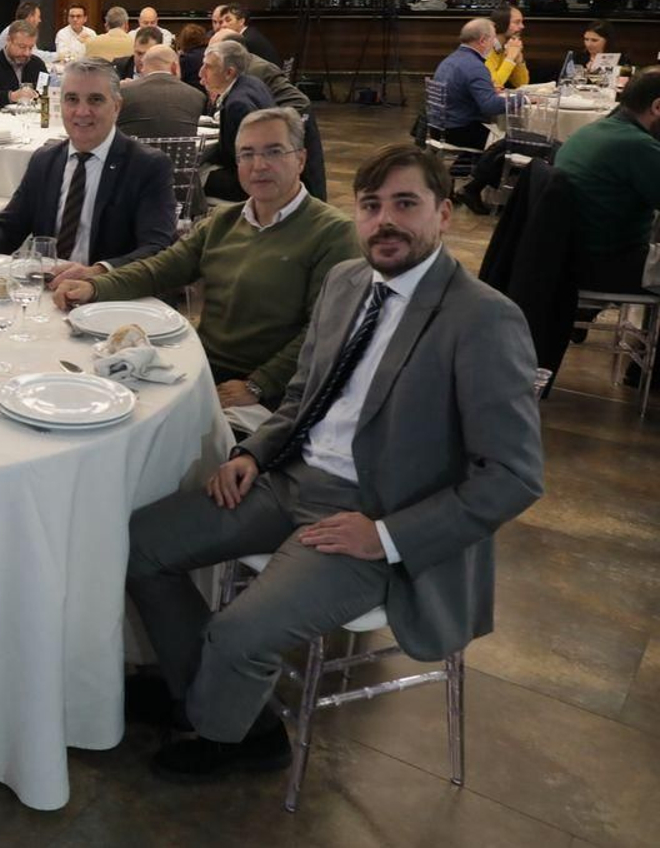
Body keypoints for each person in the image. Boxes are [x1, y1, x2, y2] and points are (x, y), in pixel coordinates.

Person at [121, 143, 541, 784]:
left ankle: (233, 733)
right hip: (291, 477)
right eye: (370, 206)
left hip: (375, 514)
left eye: (405, 203)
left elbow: (512, 475)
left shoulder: (483, 319)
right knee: (140, 545)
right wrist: (255, 451)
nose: (385, 221)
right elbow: (305, 395)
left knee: (239, 631)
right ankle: (207, 694)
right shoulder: (347, 281)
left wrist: (385, 536)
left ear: (443, 214)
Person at [56, 107, 358, 409]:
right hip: (201, 365)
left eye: (274, 151)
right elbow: (161, 270)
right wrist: (95, 286)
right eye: (247, 154)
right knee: (92, 396)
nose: (259, 165)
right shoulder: (224, 221)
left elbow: (326, 331)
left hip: (270, 393)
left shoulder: (333, 233)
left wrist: (260, 384)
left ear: (301, 159)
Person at [0, 57, 175, 279]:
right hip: (47, 287)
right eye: (72, 99)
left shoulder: (146, 166)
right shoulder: (45, 160)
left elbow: (157, 249)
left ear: (116, 106)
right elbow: (10, 225)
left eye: (95, 100)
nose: (82, 111)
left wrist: (97, 273)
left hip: (109, 293)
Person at [551, 67, 660, 292]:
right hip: (609, 265)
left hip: (570, 258)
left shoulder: (593, 130)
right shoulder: (637, 145)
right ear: (657, 107)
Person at [200, 39, 277, 201]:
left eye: (208, 67)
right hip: (270, 170)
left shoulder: (237, 105)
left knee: (191, 175)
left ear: (229, 72)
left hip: (251, 184)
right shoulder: (253, 82)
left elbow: (239, 159)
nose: (201, 73)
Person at [429, 18, 507, 150]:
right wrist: (524, 99)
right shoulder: (475, 66)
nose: (495, 43)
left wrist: (488, 90)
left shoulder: (450, 60)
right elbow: (491, 107)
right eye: (493, 38)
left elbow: (459, 90)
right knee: (516, 143)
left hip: (437, 128)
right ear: (483, 41)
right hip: (459, 131)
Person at [117, 45, 208, 139]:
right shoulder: (197, 97)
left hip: (133, 148)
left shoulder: (123, 93)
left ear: (143, 67)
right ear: (174, 67)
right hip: (181, 148)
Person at [0, 19, 47, 109]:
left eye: (30, 48)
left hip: (32, 116)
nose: (27, 53)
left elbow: (47, 93)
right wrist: (11, 96)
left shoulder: (37, 64)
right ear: (8, 40)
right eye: (22, 47)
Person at [484, 4, 528, 89]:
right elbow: (494, 86)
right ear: (502, 23)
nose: (522, 26)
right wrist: (510, 58)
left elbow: (522, 84)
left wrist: (519, 60)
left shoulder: (507, 46)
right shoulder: (485, 48)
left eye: (522, 22)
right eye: (517, 22)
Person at [177, 24, 210, 90]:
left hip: (191, 92)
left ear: (184, 40)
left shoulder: (185, 59)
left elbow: (177, 78)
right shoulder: (210, 53)